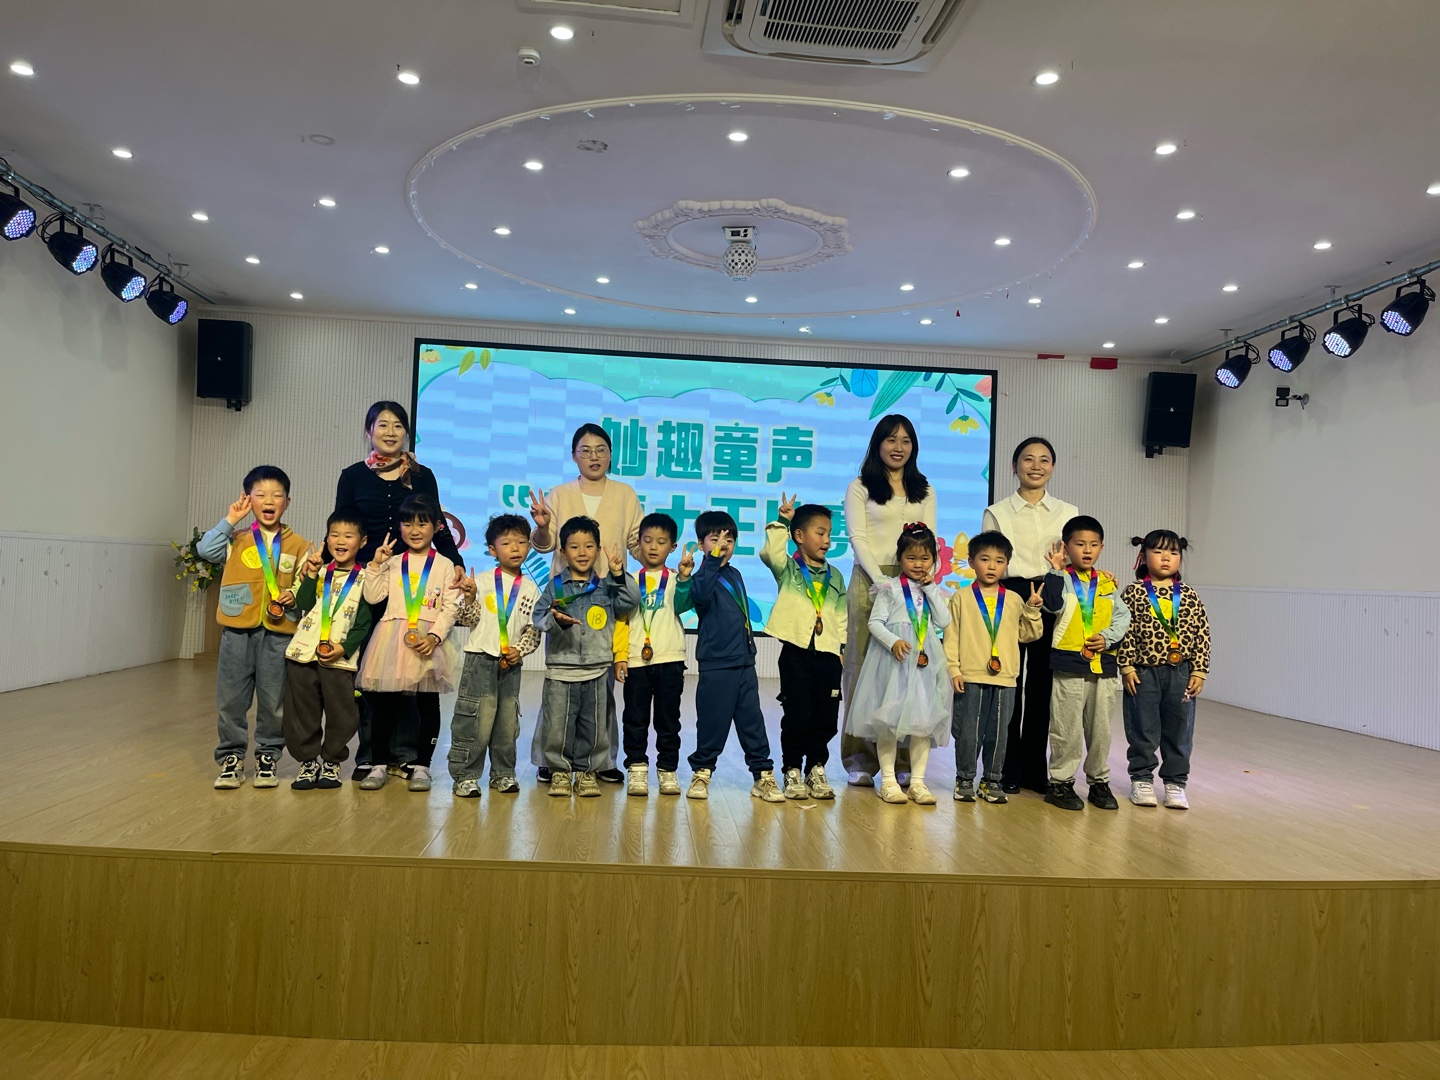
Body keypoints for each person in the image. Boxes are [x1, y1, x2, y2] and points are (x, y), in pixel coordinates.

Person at [334, 400, 465, 780]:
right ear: (369, 431)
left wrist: (455, 561)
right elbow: (343, 524)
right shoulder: (353, 475)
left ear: (407, 432)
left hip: (419, 583)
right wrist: (326, 566)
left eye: (397, 426)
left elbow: (437, 524)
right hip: (372, 578)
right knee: (374, 677)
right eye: (382, 425)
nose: (390, 432)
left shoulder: (422, 475)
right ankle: (371, 755)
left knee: (414, 673)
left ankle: (408, 756)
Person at [529, 422, 645, 785]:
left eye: (601, 450)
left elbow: (638, 543)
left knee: (600, 687)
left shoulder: (625, 494)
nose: (594, 456)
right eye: (585, 450)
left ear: (610, 455)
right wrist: (543, 526)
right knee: (558, 686)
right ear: (574, 455)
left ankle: (601, 759)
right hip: (566, 596)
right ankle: (551, 758)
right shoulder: (560, 494)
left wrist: (658, 558)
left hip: (605, 595)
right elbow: (545, 544)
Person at [198, 466, 309, 790]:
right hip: (237, 630)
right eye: (260, 495)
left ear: (287, 502)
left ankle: (268, 757)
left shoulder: (299, 545)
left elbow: (305, 585)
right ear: (248, 499)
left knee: (274, 701)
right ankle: (231, 758)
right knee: (230, 699)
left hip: (278, 632)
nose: (269, 501)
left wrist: (295, 593)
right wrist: (231, 519)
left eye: (277, 495)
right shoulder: (236, 539)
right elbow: (205, 550)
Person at [841, 415, 937, 787]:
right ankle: (860, 759)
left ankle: (902, 760)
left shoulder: (924, 489)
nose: (899, 447)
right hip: (871, 579)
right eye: (891, 439)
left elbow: (931, 538)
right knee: (863, 669)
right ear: (878, 443)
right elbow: (858, 538)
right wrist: (881, 580)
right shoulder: (860, 486)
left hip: (913, 580)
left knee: (908, 671)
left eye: (906, 440)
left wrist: (927, 574)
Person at [982, 437, 1079, 796]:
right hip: (1010, 594)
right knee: (1009, 681)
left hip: (1052, 593)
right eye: (1027, 459)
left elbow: (1076, 558)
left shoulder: (1068, 512)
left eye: (1044, 460)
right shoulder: (997, 512)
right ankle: (1005, 767)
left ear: (1052, 467)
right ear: (1014, 466)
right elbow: (989, 559)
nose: (1036, 466)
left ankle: (1035, 769)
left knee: (1042, 685)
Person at [355, 496, 462, 792]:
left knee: (427, 703)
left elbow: (450, 607)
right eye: (408, 523)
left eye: (422, 524)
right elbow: (373, 596)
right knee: (384, 704)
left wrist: (435, 636)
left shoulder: (445, 565)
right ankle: (378, 763)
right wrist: (375, 565)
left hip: (428, 641)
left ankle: (423, 766)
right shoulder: (392, 562)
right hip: (392, 639)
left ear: (436, 527)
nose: (415, 530)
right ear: (400, 526)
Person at [845, 523, 953, 806]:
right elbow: (875, 623)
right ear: (900, 558)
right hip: (894, 663)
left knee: (923, 722)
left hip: (923, 665)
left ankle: (917, 782)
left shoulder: (933, 590)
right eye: (911, 558)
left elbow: (944, 621)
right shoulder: (890, 588)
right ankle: (888, 780)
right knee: (888, 721)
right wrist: (893, 641)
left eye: (925, 558)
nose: (918, 564)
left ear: (934, 560)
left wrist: (931, 589)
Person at [533, 516, 639, 798]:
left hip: (597, 669)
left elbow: (630, 601)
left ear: (598, 550)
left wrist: (618, 574)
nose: (582, 552)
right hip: (561, 668)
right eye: (574, 546)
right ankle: (559, 771)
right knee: (558, 726)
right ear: (562, 552)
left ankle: (587, 772)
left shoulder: (606, 586)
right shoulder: (555, 587)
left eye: (589, 546)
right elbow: (538, 616)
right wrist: (555, 620)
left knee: (594, 726)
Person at [685, 510, 785, 803]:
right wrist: (711, 561)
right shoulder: (702, 575)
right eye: (714, 539)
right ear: (701, 544)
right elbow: (700, 596)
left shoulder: (735, 574)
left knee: (752, 722)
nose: (723, 544)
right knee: (712, 722)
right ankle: (702, 772)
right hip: (717, 662)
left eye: (729, 539)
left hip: (744, 661)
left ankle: (762, 775)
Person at [943, 531, 1045, 804]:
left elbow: (1027, 635)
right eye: (985, 559)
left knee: (999, 734)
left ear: (1007, 565)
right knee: (968, 732)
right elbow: (951, 637)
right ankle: (965, 778)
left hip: (1005, 678)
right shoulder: (961, 598)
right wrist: (954, 669)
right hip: (970, 675)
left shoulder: (1013, 599)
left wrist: (1033, 610)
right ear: (971, 561)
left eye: (999, 561)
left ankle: (991, 780)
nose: (992, 566)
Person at [1040, 515, 1131, 812]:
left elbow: (1122, 617)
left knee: (1100, 728)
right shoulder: (1060, 578)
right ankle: (1061, 782)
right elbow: (1052, 605)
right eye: (1080, 544)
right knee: (1066, 727)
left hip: (1103, 665)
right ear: (1066, 547)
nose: (1087, 550)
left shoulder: (1106, 583)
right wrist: (1054, 571)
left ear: (1102, 547)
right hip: (1069, 662)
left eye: (1093, 544)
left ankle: (1099, 782)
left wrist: (1107, 638)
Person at [759, 496, 847, 800]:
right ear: (799, 536)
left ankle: (816, 768)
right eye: (820, 533)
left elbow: (841, 616)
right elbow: (770, 552)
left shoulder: (836, 576)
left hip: (829, 655)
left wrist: (842, 647)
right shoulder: (789, 569)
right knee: (797, 715)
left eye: (829, 534)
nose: (827, 540)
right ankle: (792, 769)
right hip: (796, 653)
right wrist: (782, 522)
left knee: (826, 717)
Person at [449, 514, 543, 798]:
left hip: (510, 663)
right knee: (475, 719)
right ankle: (465, 776)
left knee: (506, 722)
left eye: (521, 542)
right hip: (480, 659)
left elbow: (533, 629)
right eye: (506, 543)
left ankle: (503, 774)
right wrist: (468, 597)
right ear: (492, 550)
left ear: (529, 546)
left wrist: (520, 649)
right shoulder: (481, 581)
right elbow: (467, 619)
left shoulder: (531, 589)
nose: (515, 548)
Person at [1118, 530, 1212, 811]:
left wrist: (1199, 671)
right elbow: (1125, 630)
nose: (1166, 558)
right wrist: (1126, 665)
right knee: (1143, 727)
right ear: (1143, 556)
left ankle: (1175, 782)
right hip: (1143, 672)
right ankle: (1141, 779)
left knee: (1179, 730)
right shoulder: (1134, 592)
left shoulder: (1189, 595)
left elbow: (1202, 633)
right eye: (1158, 552)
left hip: (1181, 672)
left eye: (1173, 552)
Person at [282, 511, 372, 790]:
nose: (340, 541)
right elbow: (303, 603)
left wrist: (344, 648)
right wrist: (310, 574)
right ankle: (308, 762)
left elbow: (363, 622)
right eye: (334, 535)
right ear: (327, 539)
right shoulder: (318, 571)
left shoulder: (366, 578)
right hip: (302, 653)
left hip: (339, 659)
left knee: (342, 713)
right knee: (302, 711)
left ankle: (332, 761)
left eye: (348, 536)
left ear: (362, 541)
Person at [618, 513, 694, 797]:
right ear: (638, 543)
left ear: (672, 547)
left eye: (661, 542)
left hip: (670, 659)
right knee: (634, 718)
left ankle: (667, 769)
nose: (653, 547)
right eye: (647, 540)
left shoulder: (676, 579)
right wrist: (620, 656)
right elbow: (620, 618)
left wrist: (685, 578)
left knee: (668, 719)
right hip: (636, 660)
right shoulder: (629, 580)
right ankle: (637, 768)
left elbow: (684, 605)